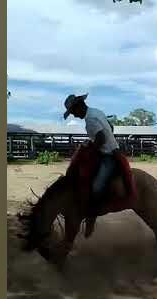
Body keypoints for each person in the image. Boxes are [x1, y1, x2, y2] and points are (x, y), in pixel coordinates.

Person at [63, 93, 123, 235]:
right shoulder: (97, 112)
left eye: (73, 112)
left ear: (79, 107)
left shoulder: (90, 119)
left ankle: (92, 215)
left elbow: (101, 138)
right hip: (111, 150)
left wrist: (91, 149)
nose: (74, 116)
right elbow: (111, 128)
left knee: (96, 187)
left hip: (108, 155)